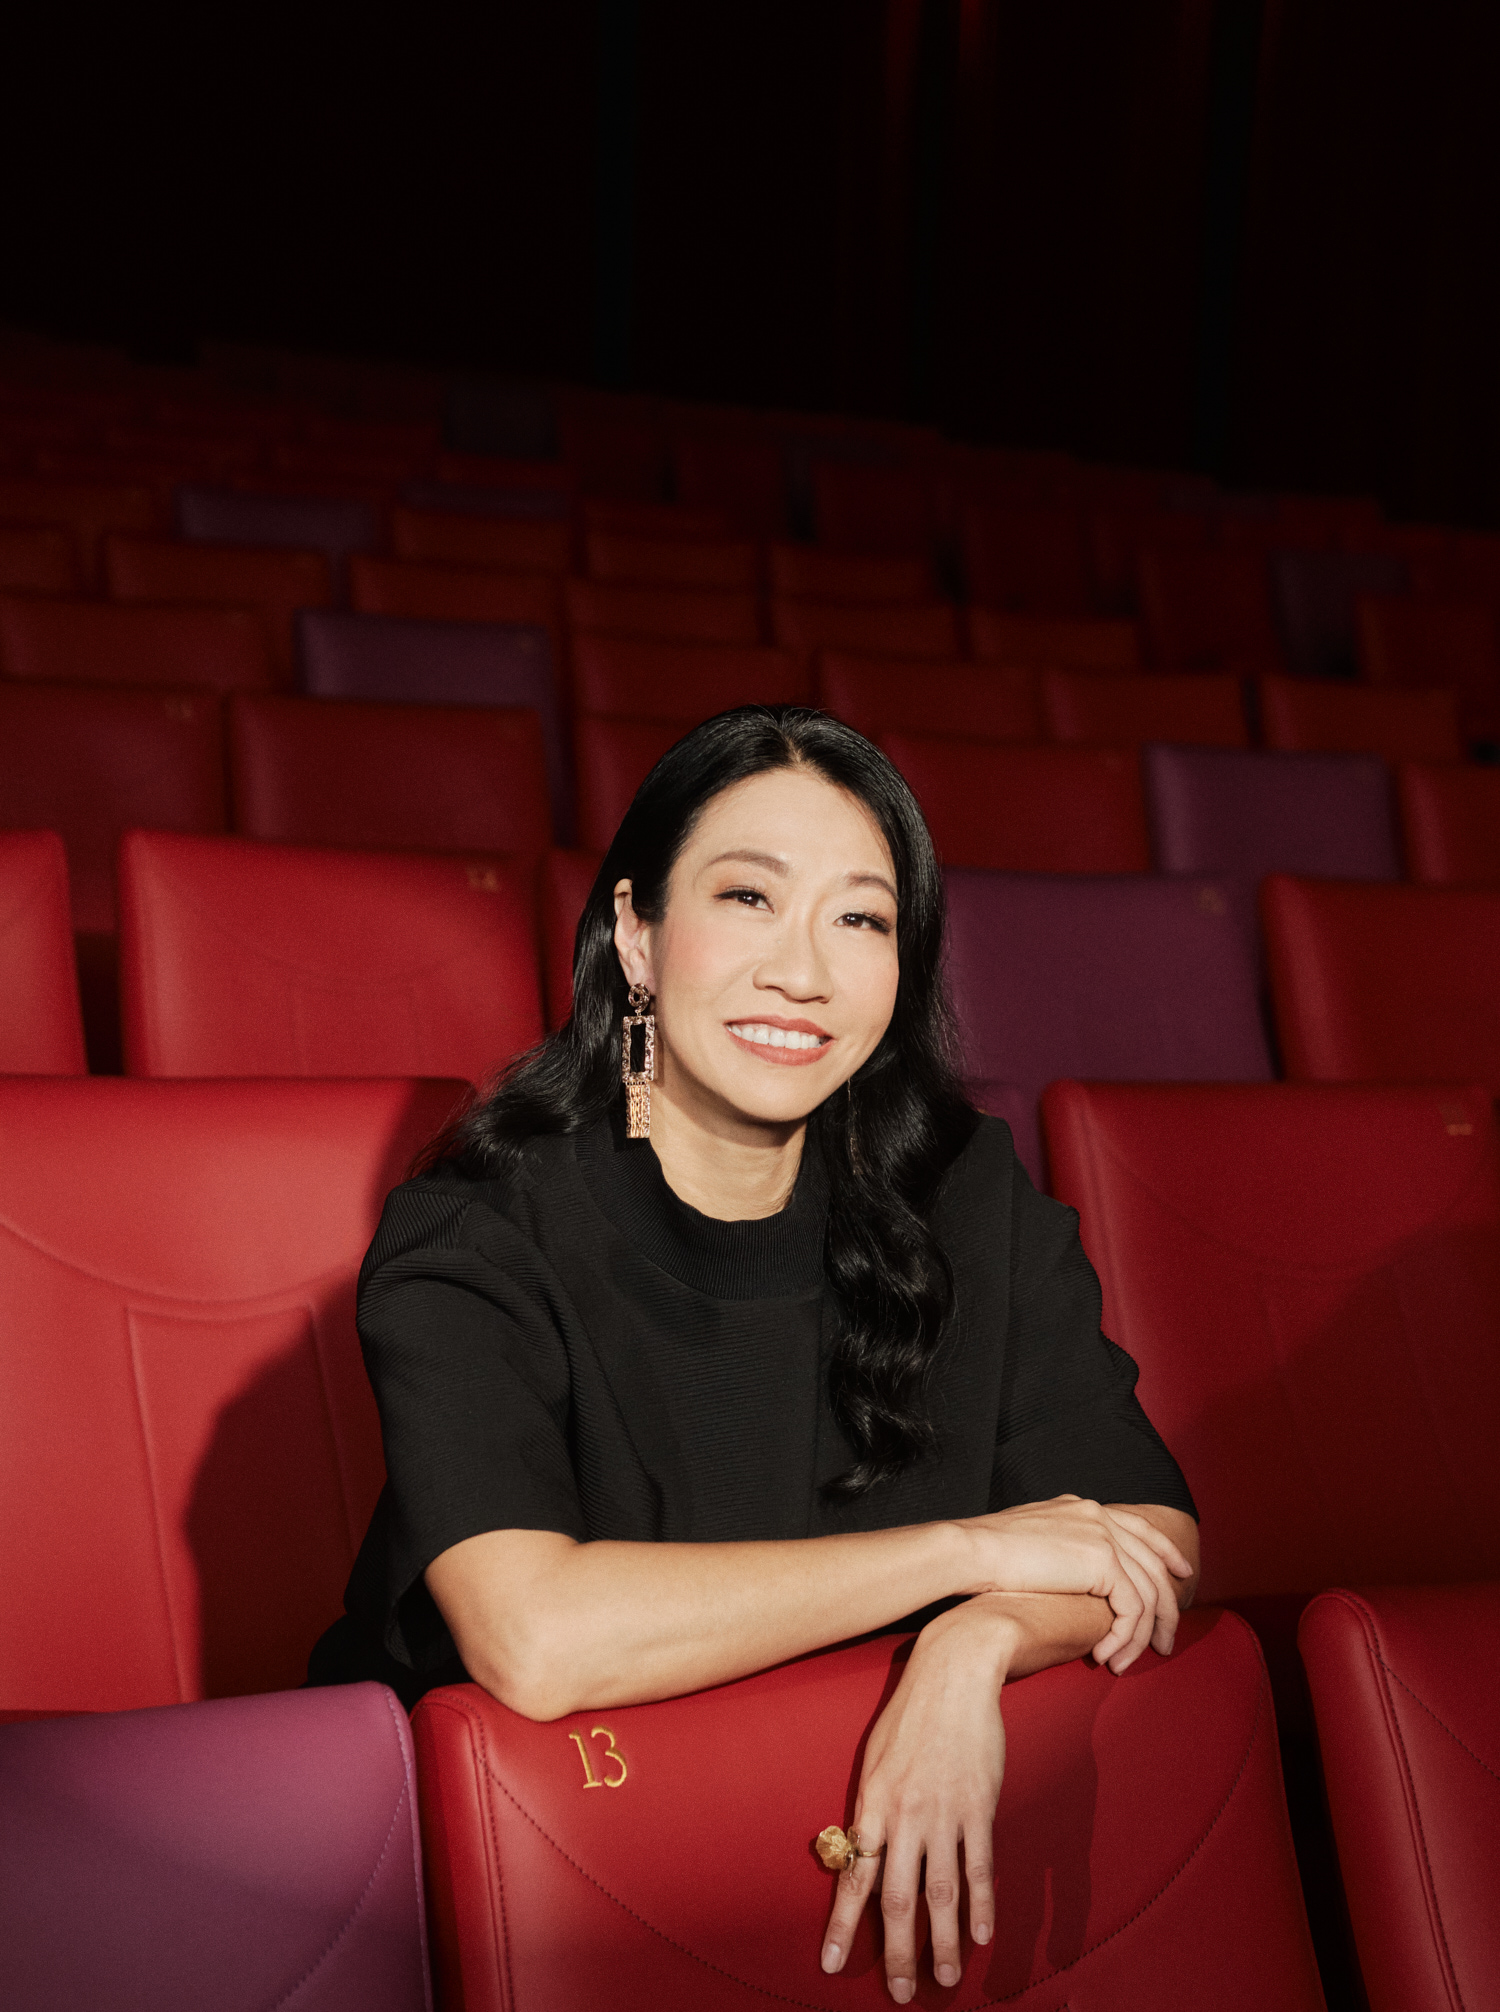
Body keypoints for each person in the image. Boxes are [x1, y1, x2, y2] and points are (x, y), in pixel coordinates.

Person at [310, 705, 1198, 2004]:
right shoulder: (478, 1229)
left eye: (862, 919)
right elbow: (538, 1643)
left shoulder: (962, 1189)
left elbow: (1152, 1532)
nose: (806, 971)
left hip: (838, 1882)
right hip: (510, 1900)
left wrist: (979, 1646)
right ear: (636, 934)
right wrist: (966, 1555)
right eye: (748, 897)